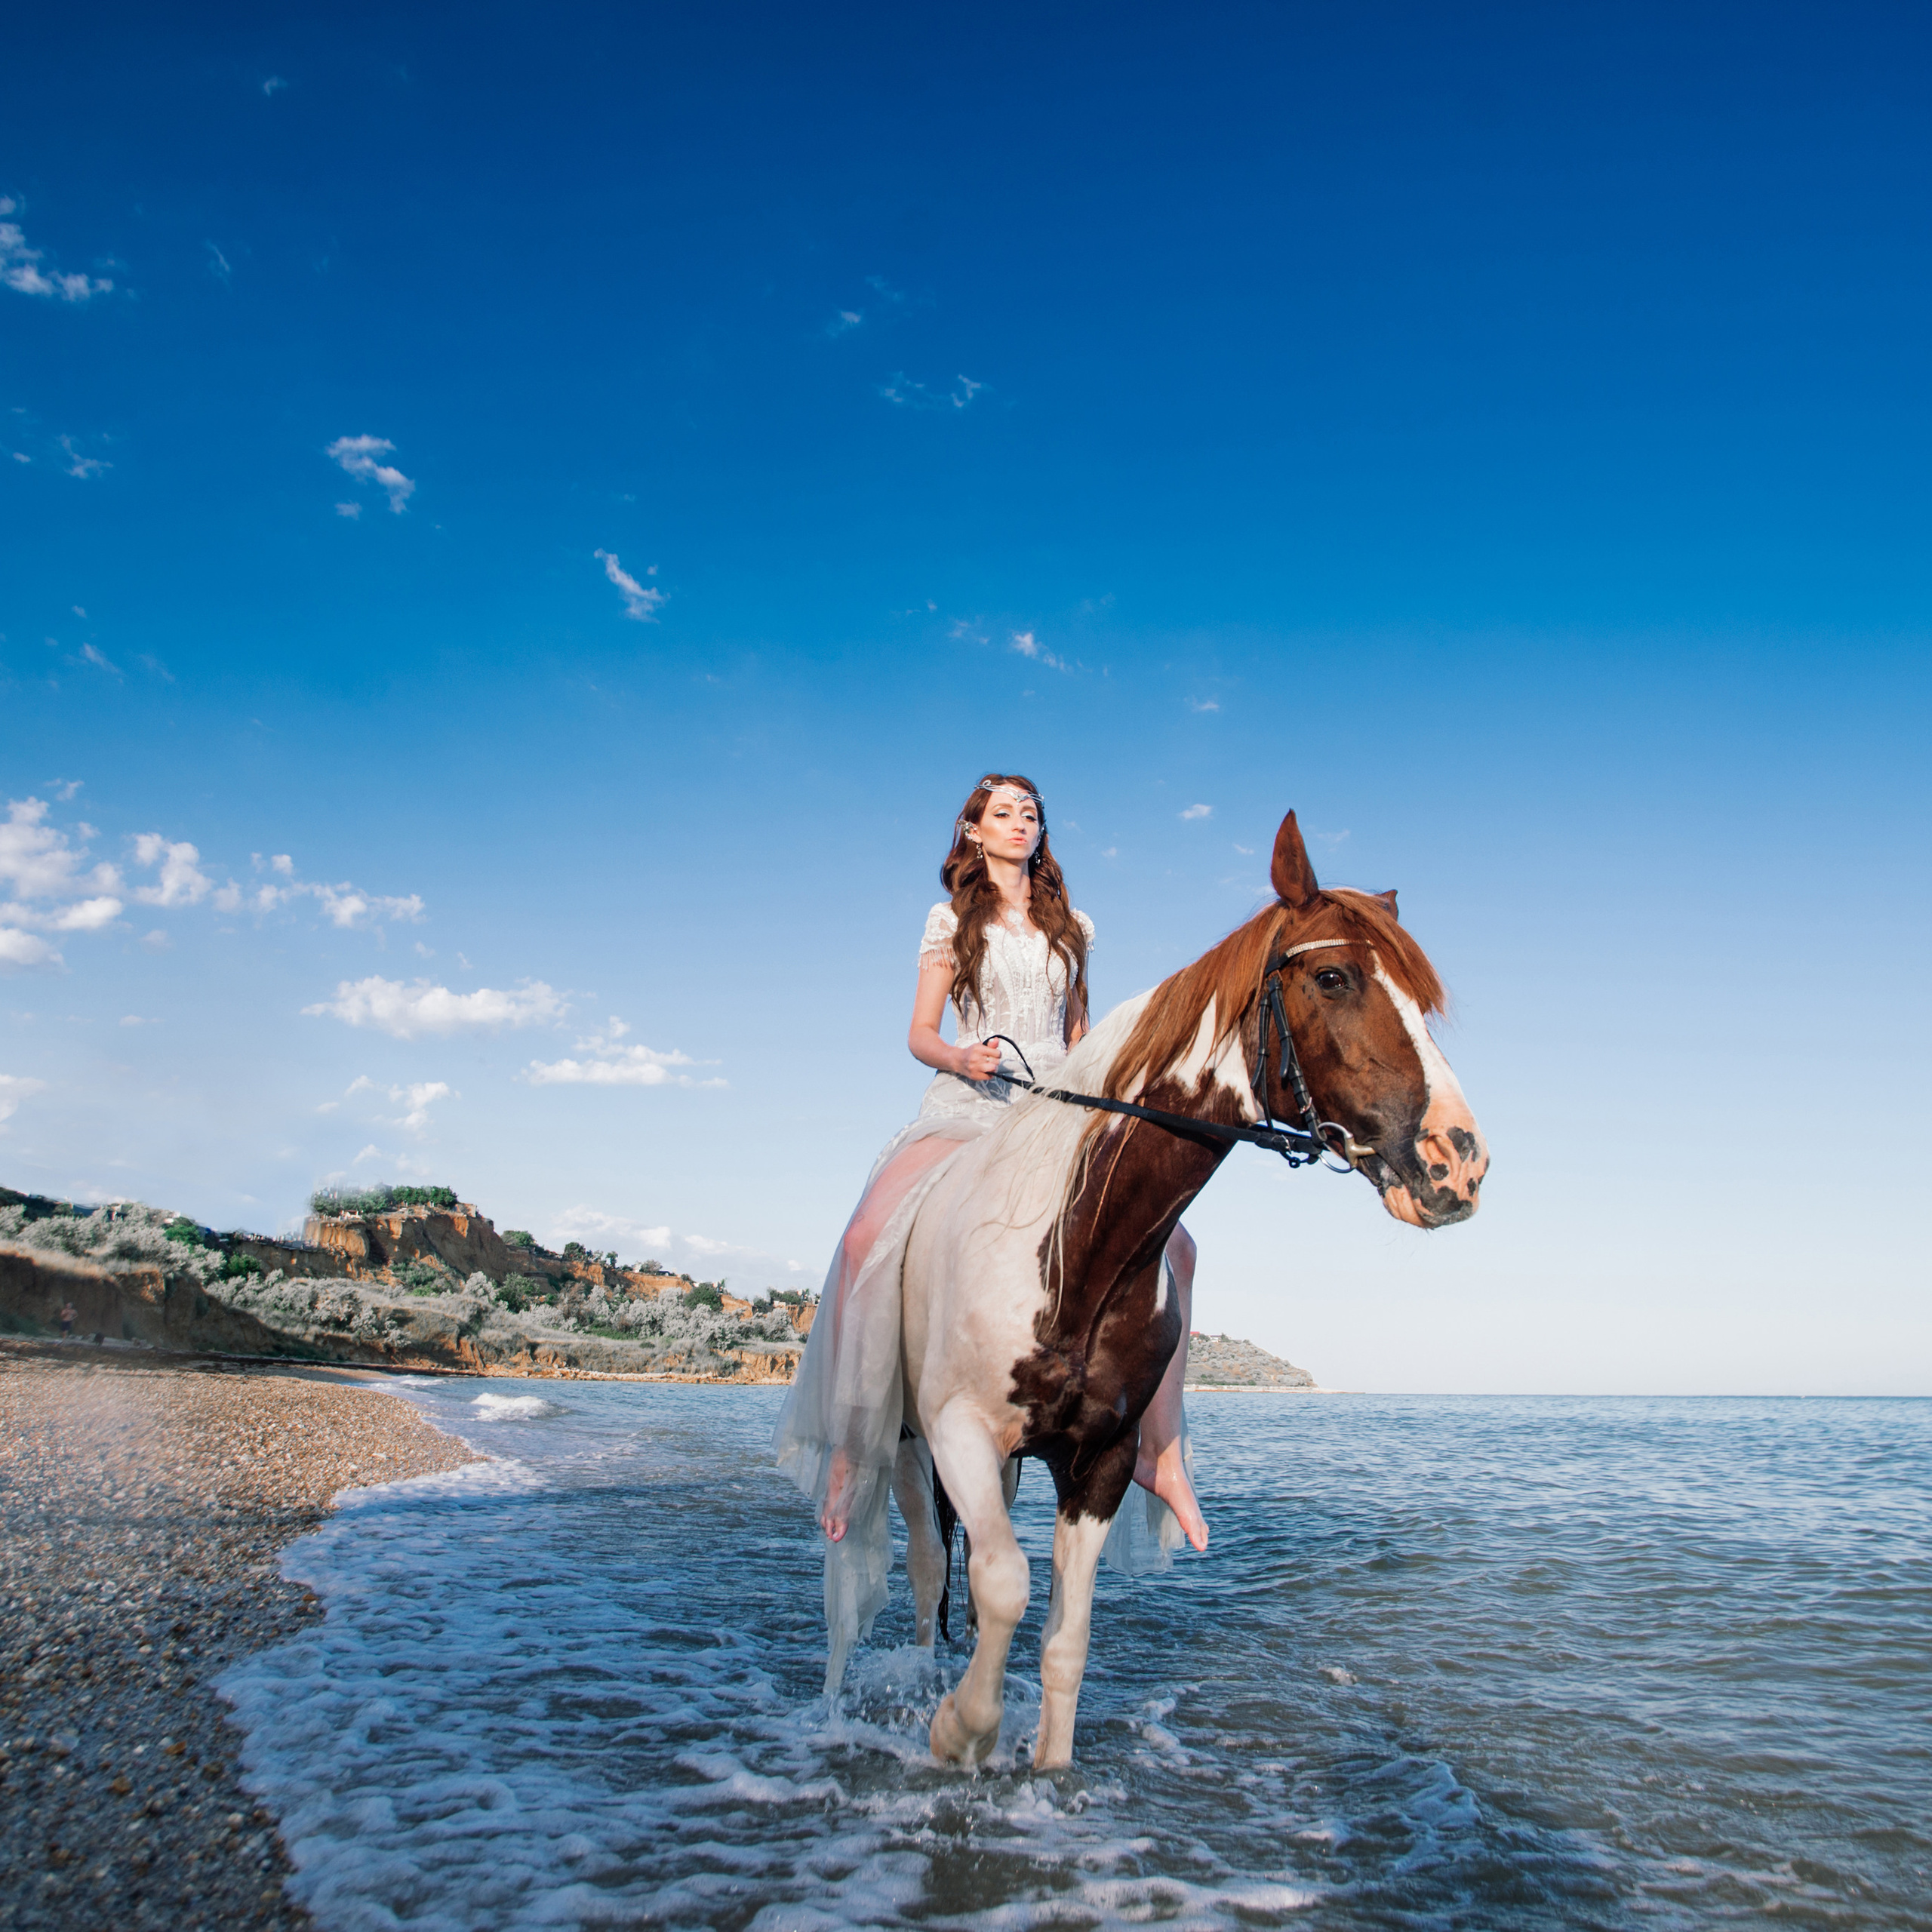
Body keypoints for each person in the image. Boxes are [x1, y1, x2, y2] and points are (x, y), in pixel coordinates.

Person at [774, 774, 1207, 1653]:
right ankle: (856, 1450)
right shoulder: (949, 924)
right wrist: (963, 1060)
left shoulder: (1071, 929)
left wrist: (1100, 1096)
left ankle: (1162, 1448)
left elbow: (1081, 1036)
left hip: (1053, 1107)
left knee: (1180, 1247)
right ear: (973, 831)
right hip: (964, 1102)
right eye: (1003, 813)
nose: (1022, 824)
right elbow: (919, 1034)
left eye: (1032, 813)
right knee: (865, 1238)